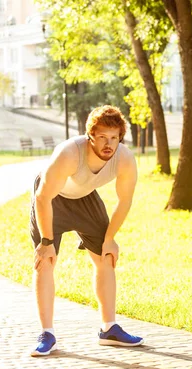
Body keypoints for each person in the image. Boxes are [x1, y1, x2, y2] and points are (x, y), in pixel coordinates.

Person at [29, 105, 143, 356]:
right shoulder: (69, 154)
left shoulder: (124, 159)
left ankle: (109, 329)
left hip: (85, 197)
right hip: (51, 199)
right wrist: (46, 241)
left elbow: (124, 201)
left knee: (106, 256)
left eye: (114, 138)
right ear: (90, 135)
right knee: (45, 261)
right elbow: (42, 197)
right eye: (102, 137)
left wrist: (110, 238)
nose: (108, 144)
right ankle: (47, 333)